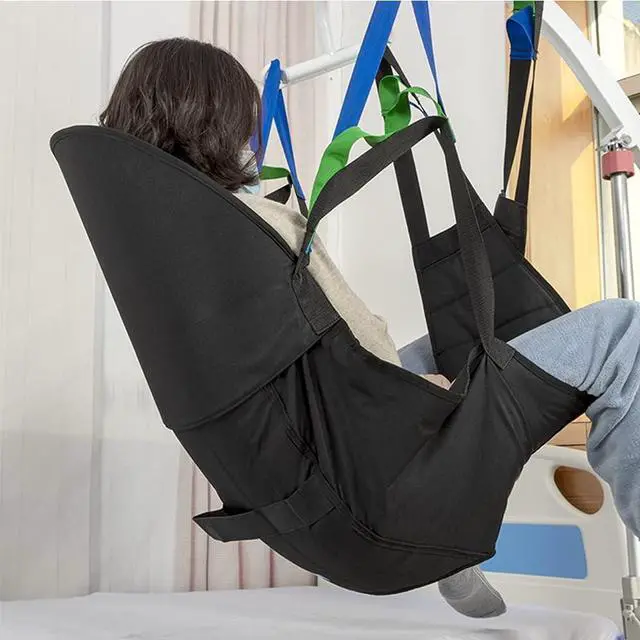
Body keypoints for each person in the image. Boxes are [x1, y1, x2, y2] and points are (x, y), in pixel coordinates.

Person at [100, 37, 640, 619]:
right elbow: (364, 341)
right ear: (222, 125)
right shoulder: (260, 227)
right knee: (623, 334)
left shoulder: (162, 253)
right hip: (383, 481)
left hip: (315, 485)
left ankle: (454, 560)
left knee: (468, 343)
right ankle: (447, 535)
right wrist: (418, 395)